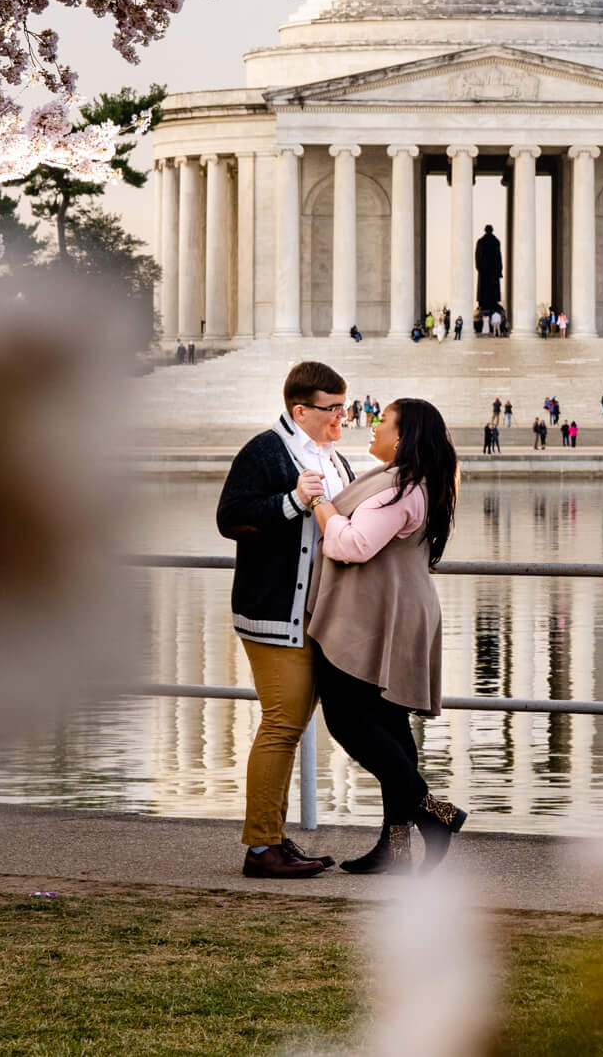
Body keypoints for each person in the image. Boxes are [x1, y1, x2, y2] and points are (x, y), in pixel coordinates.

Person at [307, 397, 466, 874]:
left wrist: (319, 505)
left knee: (348, 720)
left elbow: (353, 545)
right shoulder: (413, 482)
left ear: (403, 437)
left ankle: (436, 813)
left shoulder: (404, 488)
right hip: (394, 611)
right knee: (392, 729)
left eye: (382, 422)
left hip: (380, 618)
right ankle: (395, 851)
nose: (372, 428)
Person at [215, 360, 357, 879]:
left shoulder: (334, 458)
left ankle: (272, 837)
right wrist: (293, 502)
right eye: (332, 408)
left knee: (291, 726)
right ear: (301, 410)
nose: (343, 416)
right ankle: (260, 850)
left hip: (318, 616)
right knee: (280, 724)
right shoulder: (265, 451)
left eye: (345, 406)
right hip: (275, 613)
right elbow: (230, 517)